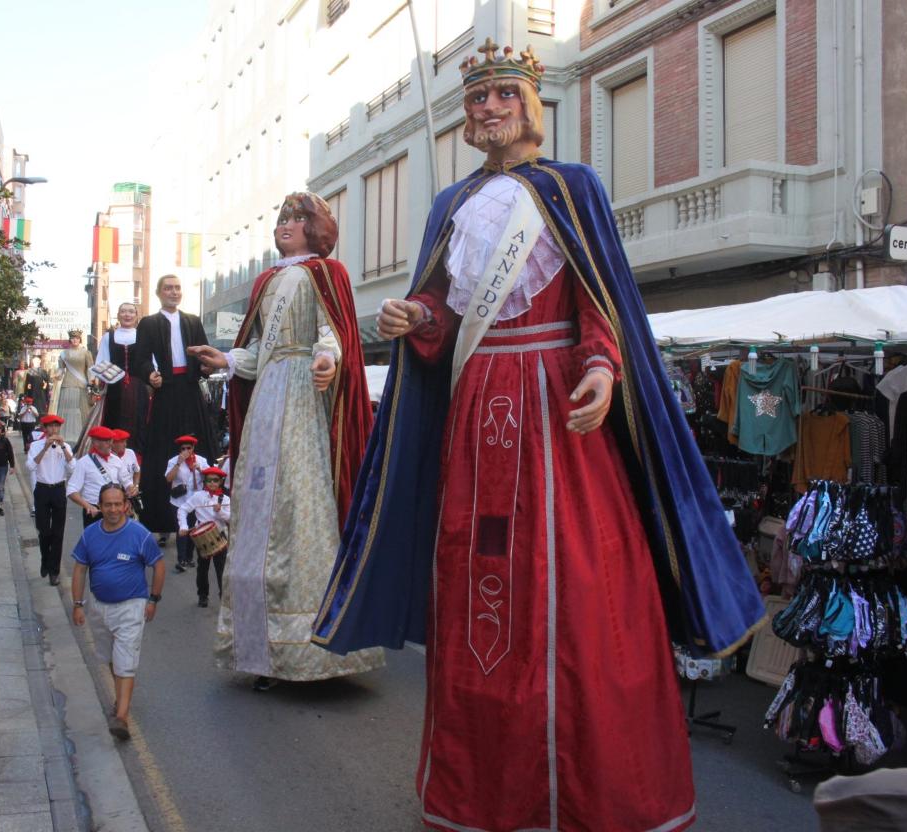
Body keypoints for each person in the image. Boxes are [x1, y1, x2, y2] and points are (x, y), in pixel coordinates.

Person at [311, 41, 766, 832]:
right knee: (480, 580)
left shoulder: (573, 189)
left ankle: (596, 793)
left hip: (559, 412)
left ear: (532, 106)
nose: (488, 109)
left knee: (579, 586)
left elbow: (603, 306)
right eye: (477, 98)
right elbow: (447, 319)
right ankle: (487, 792)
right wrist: (414, 318)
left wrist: (602, 369)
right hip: (479, 407)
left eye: (502, 95)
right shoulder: (448, 206)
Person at [190, 191, 381, 691]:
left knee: (299, 506)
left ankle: (308, 647)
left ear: (316, 227)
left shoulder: (325, 273)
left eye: (297, 218)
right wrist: (227, 360)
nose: (286, 225)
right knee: (257, 510)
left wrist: (326, 358)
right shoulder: (267, 280)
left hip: (300, 399)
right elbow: (257, 351)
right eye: (282, 218)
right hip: (268, 397)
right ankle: (259, 646)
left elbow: (331, 331)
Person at [70, 482, 165, 741]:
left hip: (131, 606)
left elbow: (158, 566)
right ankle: (121, 699)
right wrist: (78, 605)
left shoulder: (140, 534)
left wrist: (153, 599)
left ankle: (121, 716)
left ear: (126, 505)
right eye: (107, 505)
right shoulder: (90, 535)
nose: (113, 509)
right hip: (99, 607)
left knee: (125, 661)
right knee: (112, 657)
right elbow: (79, 569)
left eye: (117, 504)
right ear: (99, 507)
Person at [133, 274, 217, 536]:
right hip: (166, 391)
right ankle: (162, 519)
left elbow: (205, 352)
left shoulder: (192, 321)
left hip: (191, 390)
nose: (173, 292)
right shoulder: (148, 323)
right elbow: (140, 358)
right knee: (162, 451)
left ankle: (207, 509)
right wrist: (150, 375)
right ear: (159, 293)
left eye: (177, 288)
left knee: (201, 446)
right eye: (168, 288)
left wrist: (205, 365)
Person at [26, 413, 74, 585]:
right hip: (43, 489)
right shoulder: (36, 445)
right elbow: (30, 466)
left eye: (57, 426)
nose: (54, 429)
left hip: (59, 489)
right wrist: (45, 448)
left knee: (58, 533)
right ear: (45, 429)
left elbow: (72, 468)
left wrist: (63, 448)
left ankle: (54, 571)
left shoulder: (65, 446)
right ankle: (45, 560)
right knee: (44, 531)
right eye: (51, 426)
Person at [96, 302, 150, 451]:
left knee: (139, 419)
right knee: (114, 418)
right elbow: (101, 362)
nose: (127, 315)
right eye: (124, 311)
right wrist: (112, 377)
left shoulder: (144, 336)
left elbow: (151, 362)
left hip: (138, 386)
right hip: (114, 387)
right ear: (118, 315)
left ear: (136, 315)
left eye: (131, 312)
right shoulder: (108, 337)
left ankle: (137, 456)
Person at [177, 466, 230, 608]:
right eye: (209, 480)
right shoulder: (198, 496)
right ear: (205, 481)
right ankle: (203, 595)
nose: (212, 483)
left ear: (220, 482)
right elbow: (183, 509)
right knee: (202, 569)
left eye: (215, 480)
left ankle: (224, 598)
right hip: (202, 538)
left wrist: (221, 513)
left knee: (221, 569)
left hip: (219, 535)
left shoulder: (225, 499)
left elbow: (231, 519)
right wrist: (183, 526)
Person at [68, 425, 135, 529]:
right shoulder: (83, 463)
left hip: (115, 509)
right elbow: (71, 490)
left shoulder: (117, 460)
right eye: (105, 441)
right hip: (95, 510)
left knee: (116, 541)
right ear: (95, 443)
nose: (110, 444)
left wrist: (131, 489)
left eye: (110, 440)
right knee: (94, 543)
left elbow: (127, 482)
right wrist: (87, 506)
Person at [164, 435, 207, 572]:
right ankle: (181, 559)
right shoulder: (173, 461)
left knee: (192, 530)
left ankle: (189, 557)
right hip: (179, 502)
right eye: (183, 448)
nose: (186, 450)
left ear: (193, 448)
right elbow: (168, 478)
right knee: (181, 530)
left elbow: (211, 478)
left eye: (189, 448)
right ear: (180, 449)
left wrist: (200, 469)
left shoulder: (201, 460)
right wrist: (178, 463)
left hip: (196, 501)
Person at [53, 329, 93, 445]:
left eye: (77, 338)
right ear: (70, 339)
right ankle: (65, 434)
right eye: (72, 338)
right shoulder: (63, 354)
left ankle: (81, 434)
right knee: (67, 409)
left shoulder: (86, 353)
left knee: (80, 409)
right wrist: (57, 375)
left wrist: (92, 382)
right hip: (67, 384)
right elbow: (61, 369)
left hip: (81, 385)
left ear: (80, 340)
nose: (75, 340)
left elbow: (90, 368)